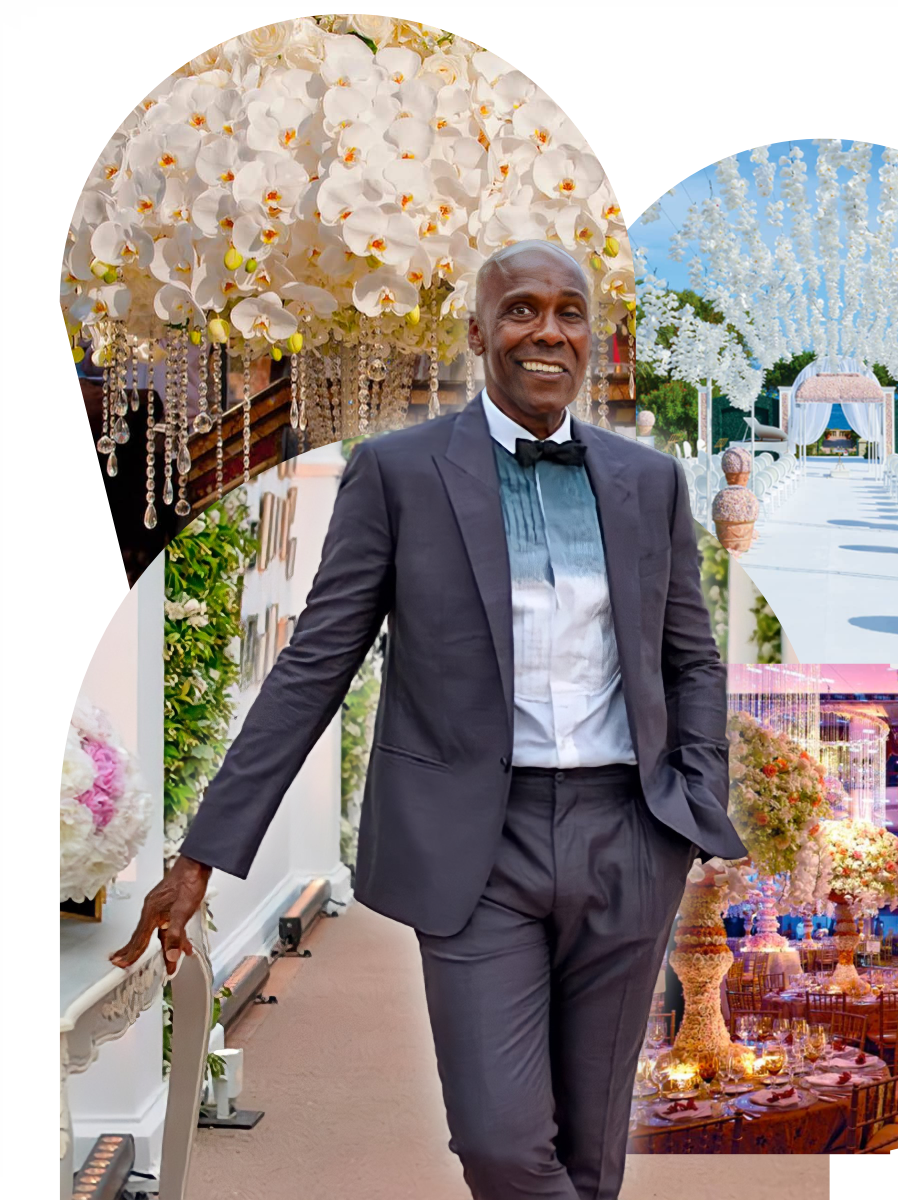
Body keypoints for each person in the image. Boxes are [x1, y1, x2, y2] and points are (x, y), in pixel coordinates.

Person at [112, 240, 746, 1200]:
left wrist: (693, 806)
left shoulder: (647, 482)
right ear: (478, 333)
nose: (547, 331)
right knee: (499, 1143)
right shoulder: (400, 472)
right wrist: (206, 849)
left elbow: (688, 656)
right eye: (522, 309)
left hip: (629, 835)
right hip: (475, 849)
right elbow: (317, 664)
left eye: (569, 311)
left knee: (590, 1150)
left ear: (593, 336)